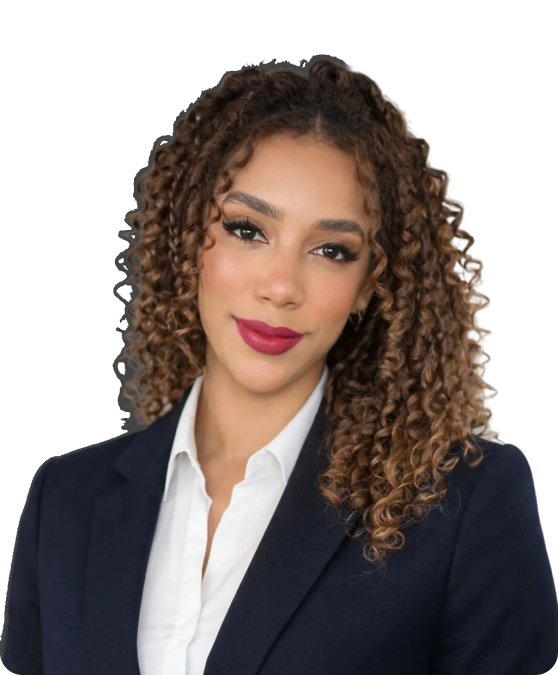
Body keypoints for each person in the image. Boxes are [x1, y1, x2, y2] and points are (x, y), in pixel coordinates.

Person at [2, 57, 557, 675]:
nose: (281, 286)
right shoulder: (65, 501)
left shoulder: (463, 503)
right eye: (248, 229)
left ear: (371, 284)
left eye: (331, 250)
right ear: (189, 238)